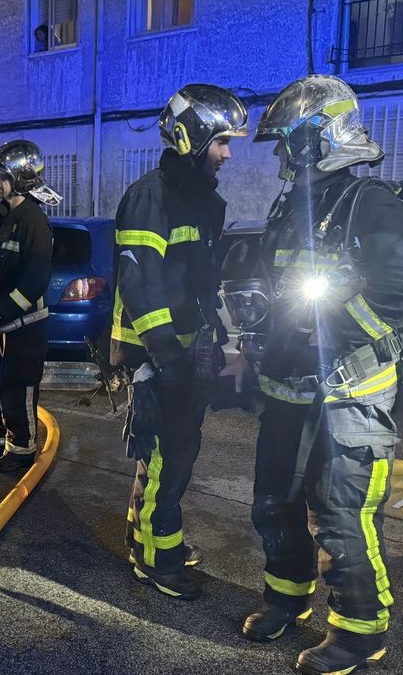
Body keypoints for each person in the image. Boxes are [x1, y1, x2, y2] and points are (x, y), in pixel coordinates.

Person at [242, 75, 403, 675]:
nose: (280, 157)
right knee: (275, 503)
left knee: (343, 518)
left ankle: (358, 633)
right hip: (288, 390)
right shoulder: (293, 207)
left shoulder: (367, 201)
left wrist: (333, 327)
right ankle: (287, 598)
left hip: (348, 395)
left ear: (317, 136)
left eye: (286, 143)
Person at [114, 84, 246, 600]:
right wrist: (167, 356)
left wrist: (215, 334)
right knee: (169, 459)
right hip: (157, 353)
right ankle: (157, 560)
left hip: (183, 349)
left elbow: (198, 280)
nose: (227, 154)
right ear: (191, 139)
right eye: (222, 142)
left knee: (167, 455)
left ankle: (145, 538)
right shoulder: (152, 197)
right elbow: (139, 283)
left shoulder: (197, 200)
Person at [0, 140, 58, 474]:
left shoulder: (33, 221)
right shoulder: (6, 218)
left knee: (16, 388)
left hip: (24, 327)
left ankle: (22, 449)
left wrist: (1, 309)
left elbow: (35, 280)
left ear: (21, 178)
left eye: (4, 176)